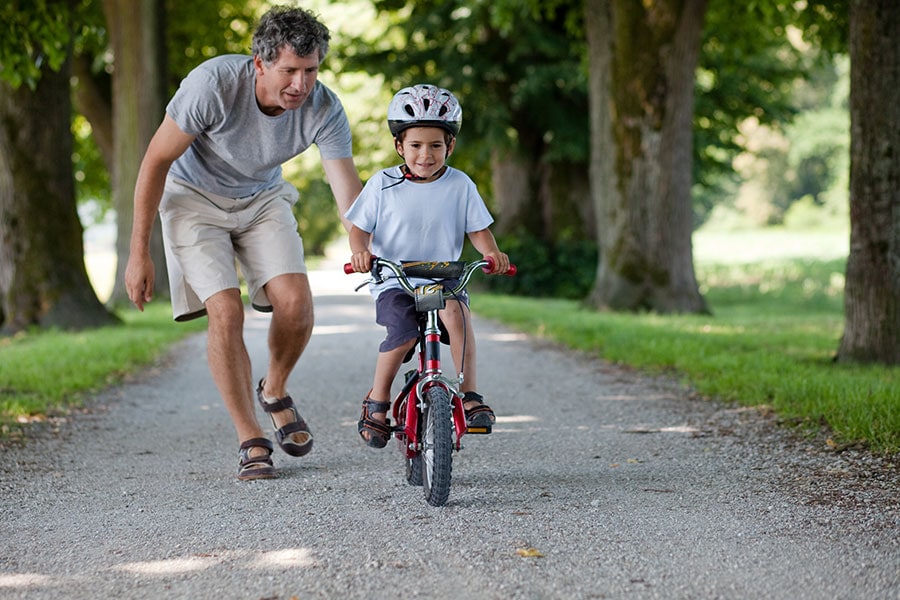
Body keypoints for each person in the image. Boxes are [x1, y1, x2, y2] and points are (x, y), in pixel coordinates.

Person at [124, 6, 363, 480]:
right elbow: (154, 162)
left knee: (295, 303)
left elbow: (347, 190)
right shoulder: (212, 85)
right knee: (226, 310)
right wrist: (138, 253)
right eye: (289, 71)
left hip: (260, 199)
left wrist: (362, 245)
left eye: (311, 70)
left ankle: (274, 389)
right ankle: (250, 436)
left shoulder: (324, 107)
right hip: (192, 200)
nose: (301, 84)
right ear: (260, 63)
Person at [345, 84, 510, 448]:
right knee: (402, 335)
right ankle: (378, 401)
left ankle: (469, 395)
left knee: (458, 315)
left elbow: (479, 231)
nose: (425, 154)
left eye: (436, 145)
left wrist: (493, 254)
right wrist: (360, 252)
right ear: (399, 146)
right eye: (416, 145)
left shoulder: (460, 185)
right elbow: (359, 231)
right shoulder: (382, 184)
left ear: (449, 146)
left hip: (444, 277)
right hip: (395, 278)